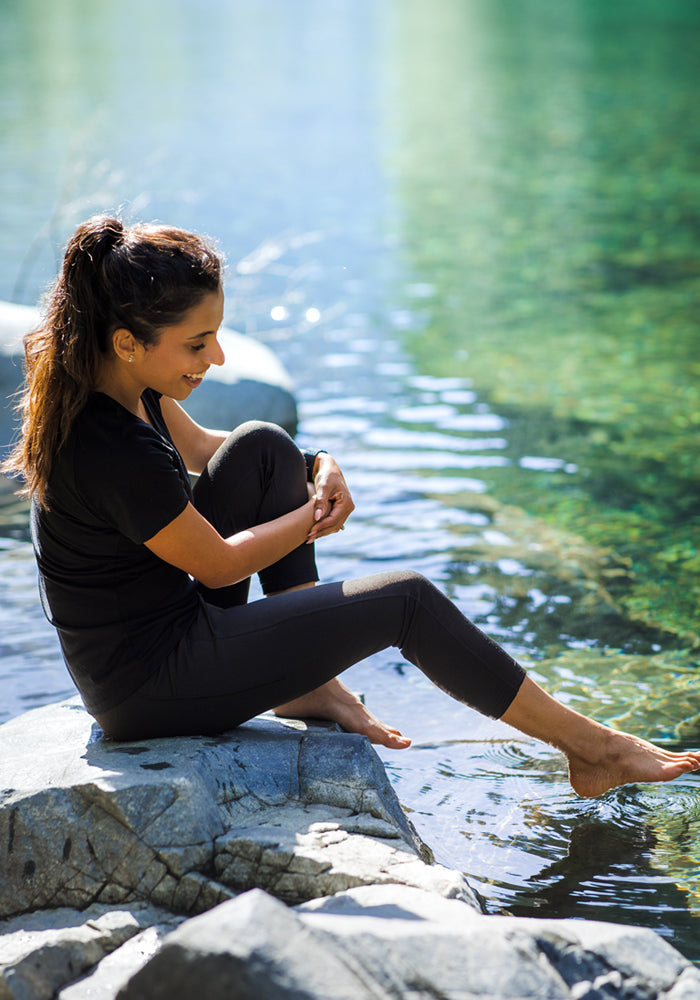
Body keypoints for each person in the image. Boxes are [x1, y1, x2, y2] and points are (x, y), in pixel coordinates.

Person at [3, 214, 698, 800]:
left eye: (216, 336)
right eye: (196, 342)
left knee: (264, 446)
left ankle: (309, 686)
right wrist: (310, 516)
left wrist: (315, 468)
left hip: (168, 635)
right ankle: (591, 747)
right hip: (147, 691)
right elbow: (217, 567)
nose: (215, 358)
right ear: (128, 342)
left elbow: (210, 452)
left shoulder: (123, 380)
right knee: (407, 600)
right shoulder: (106, 445)